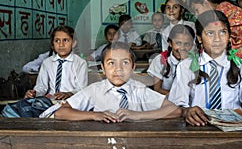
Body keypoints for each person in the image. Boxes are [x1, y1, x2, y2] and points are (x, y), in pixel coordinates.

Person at [168, 10, 242, 127]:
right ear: (199, 38)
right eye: (210, 33)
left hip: (234, 128)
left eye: (223, 32)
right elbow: (177, 104)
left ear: (229, 37)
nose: (217, 39)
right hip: (199, 126)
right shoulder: (186, 66)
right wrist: (186, 111)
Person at [54, 41, 182, 122]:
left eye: (125, 63)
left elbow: (174, 110)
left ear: (133, 68)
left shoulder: (139, 90)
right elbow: (61, 112)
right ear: (103, 68)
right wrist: (94, 115)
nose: (118, 69)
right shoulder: (94, 90)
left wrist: (138, 115)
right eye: (111, 63)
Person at [189, 0, 242, 92]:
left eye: (197, 10)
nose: (197, 14)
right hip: (241, 50)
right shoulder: (221, 9)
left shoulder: (222, 10)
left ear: (205, 3)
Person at [24, 25, 88, 100]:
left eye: (65, 40)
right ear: (52, 44)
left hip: (72, 101)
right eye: (57, 41)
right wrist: (34, 93)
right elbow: (42, 87)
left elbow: (81, 88)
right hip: (51, 101)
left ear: (74, 43)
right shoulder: (47, 62)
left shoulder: (80, 63)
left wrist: (68, 94)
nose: (61, 45)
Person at [147, 24, 196, 95]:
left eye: (187, 44)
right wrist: (177, 98)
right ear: (170, 43)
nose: (182, 48)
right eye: (178, 43)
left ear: (192, 45)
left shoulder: (195, 62)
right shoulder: (160, 60)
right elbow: (157, 89)